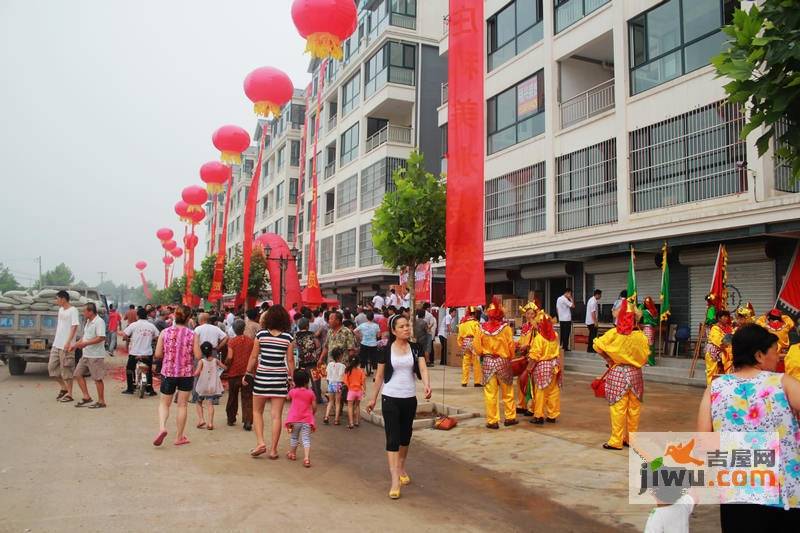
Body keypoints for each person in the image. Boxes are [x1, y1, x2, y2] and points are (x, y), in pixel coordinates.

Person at [697, 324, 800, 525]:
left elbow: (703, 439)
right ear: (759, 355)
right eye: (775, 352)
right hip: (783, 490)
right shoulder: (782, 382)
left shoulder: (715, 387)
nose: (778, 358)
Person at [367, 314, 432, 499]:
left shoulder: (415, 348)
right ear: (393, 330)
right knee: (392, 439)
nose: (406, 329)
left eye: (407, 326)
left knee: (405, 437)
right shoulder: (385, 350)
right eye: (402, 326)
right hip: (390, 398)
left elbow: (423, 368)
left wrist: (427, 384)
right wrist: (373, 399)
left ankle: (401, 466)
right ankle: (395, 479)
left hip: (409, 398)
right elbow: (379, 376)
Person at [593, 299, 649, 450]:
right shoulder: (641, 336)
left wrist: (609, 358)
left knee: (618, 408)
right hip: (636, 374)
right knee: (634, 409)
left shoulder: (614, 333)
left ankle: (616, 440)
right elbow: (646, 356)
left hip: (618, 373)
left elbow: (597, 345)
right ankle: (631, 439)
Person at [245, 305, 295, 459]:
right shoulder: (288, 338)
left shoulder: (261, 335)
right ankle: (273, 450)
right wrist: (291, 377)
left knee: (257, 411)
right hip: (279, 379)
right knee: (276, 416)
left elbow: (254, 357)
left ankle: (260, 442)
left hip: (262, 377)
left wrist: (247, 373)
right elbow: (290, 360)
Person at [153, 305, 195, 447]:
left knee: (164, 403)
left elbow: (158, 354)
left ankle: (162, 428)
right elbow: (199, 355)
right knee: (182, 405)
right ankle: (179, 437)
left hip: (168, 372)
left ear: (174, 316)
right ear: (189, 318)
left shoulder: (164, 332)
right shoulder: (193, 334)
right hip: (186, 373)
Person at [474, 297, 518, 429]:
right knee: (508, 392)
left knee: (490, 393)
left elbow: (476, 347)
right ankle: (510, 417)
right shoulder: (506, 329)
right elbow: (511, 347)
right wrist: (510, 357)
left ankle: (492, 420)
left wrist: (484, 353)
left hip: (488, 362)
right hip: (503, 362)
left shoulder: (480, 328)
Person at [526, 310, 562, 424]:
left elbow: (534, 356)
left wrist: (529, 367)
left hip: (542, 367)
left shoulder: (539, 338)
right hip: (554, 366)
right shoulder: (555, 335)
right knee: (553, 391)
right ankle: (552, 415)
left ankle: (538, 415)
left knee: (540, 392)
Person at [72, 303, 107, 409]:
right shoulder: (88, 322)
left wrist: (85, 344)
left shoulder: (99, 322)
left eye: (85, 311)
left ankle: (101, 401)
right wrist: (76, 344)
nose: (83, 313)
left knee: (97, 378)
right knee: (77, 374)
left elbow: (101, 337)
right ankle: (86, 397)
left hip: (95, 355)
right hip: (86, 354)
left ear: (91, 312)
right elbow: (85, 337)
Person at [49, 290, 81, 403]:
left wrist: (68, 342)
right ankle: (64, 387)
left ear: (63, 299)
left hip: (66, 346)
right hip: (56, 344)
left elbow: (74, 327)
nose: (56, 301)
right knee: (51, 368)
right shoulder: (60, 310)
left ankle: (70, 394)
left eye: (57, 298)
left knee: (67, 370)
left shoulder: (73, 310)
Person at [122, 307, 159, 395]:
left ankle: (130, 388)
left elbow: (124, 335)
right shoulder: (151, 326)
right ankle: (150, 389)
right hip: (147, 353)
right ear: (146, 316)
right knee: (149, 370)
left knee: (130, 369)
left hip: (134, 353)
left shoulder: (133, 325)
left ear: (137, 316)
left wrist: (127, 338)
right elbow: (158, 336)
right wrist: (151, 338)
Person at [225, 319, 254, 430]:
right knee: (247, 397)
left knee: (232, 396)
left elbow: (230, 357)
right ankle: (247, 421)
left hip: (234, 372)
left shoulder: (232, 341)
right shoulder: (250, 341)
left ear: (234, 329)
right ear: (244, 328)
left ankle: (231, 418)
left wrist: (226, 364)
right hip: (247, 372)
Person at [285, 368, 316, 467]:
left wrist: (291, 388)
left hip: (294, 420)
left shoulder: (293, 392)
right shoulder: (310, 393)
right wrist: (312, 414)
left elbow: (287, 398)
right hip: (306, 420)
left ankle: (292, 453)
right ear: (307, 381)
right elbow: (314, 407)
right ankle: (306, 458)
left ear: (295, 381)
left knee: (294, 437)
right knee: (306, 439)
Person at [194, 341, 226, 430]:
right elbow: (224, 367)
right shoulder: (216, 361)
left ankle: (201, 420)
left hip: (202, 386)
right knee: (210, 404)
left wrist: (193, 373)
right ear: (212, 350)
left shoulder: (201, 361)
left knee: (198, 402)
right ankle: (210, 423)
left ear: (202, 351)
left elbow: (196, 373)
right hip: (212, 386)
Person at [515, 302, 539, 416]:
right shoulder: (525, 326)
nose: (529, 316)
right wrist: (517, 345)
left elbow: (537, 343)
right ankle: (521, 405)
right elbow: (521, 340)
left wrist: (528, 347)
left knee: (530, 382)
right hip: (522, 356)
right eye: (528, 313)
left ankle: (531, 407)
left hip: (531, 357)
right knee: (520, 380)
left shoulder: (536, 327)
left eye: (532, 313)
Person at [294, 317, 322, 403]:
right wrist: (317, 355)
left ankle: (304, 399)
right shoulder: (312, 334)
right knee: (316, 382)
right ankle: (317, 399)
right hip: (313, 362)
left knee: (303, 383)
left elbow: (294, 347)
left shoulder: (296, 335)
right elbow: (318, 346)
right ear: (307, 326)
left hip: (301, 363)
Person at [703, 310, 733, 386]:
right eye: (724, 316)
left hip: (725, 350)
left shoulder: (729, 327)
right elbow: (719, 342)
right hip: (714, 352)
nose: (726, 318)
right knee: (713, 372)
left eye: (727, 316)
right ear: (719, 318)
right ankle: (711, 389)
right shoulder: (715, 328)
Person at [457, 307, 482, 387]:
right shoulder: (475, 322)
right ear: (474, 313)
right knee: (476, 363)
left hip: (465, 342)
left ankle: (464, 382)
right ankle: (477, 381)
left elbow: (459, 335)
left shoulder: (462, 323)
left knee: (465, 363)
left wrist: (461, 344)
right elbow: (478, 334)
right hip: (473, 342)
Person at [324, 348, 345, 425]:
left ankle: (326, 416)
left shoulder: (329, 364)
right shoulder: (342, 366)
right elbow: (342, 376)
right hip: (338, 384)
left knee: (330, 401)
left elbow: (327, 374)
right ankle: (336, 420)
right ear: (340, 356)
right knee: (338, 402)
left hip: (330, 384)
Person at [343, 355, 365, 429]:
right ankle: (357, 422)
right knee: (357, 406)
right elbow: (363, 381)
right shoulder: (361, 371)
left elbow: (345, 381)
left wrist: (349, 387)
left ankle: (351, 423)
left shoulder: (348, 370)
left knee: (350, 407)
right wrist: (364, 390)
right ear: (358, 363)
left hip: (351, 391)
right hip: (359, 391)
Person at [355, 310, 380, 376]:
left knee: (363, 359)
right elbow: (378, 335)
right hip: (373, 344)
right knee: (374, 360)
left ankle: (362, 375)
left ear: (366, 317)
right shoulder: (376, 326)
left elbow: (355, 331)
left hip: (364, 344)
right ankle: (375, 376)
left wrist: (360, 336)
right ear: (373, 317)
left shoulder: (362, 325)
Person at [640, 296, 658, 366]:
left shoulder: (645, 312)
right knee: (650, 345)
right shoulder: (655, 311)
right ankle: (650, 361)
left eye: (646, 302)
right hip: (652, 329)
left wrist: (642, 304)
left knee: (648, 345)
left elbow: (638, 310)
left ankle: (650, 362)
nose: (646, 303)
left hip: (647, 328)